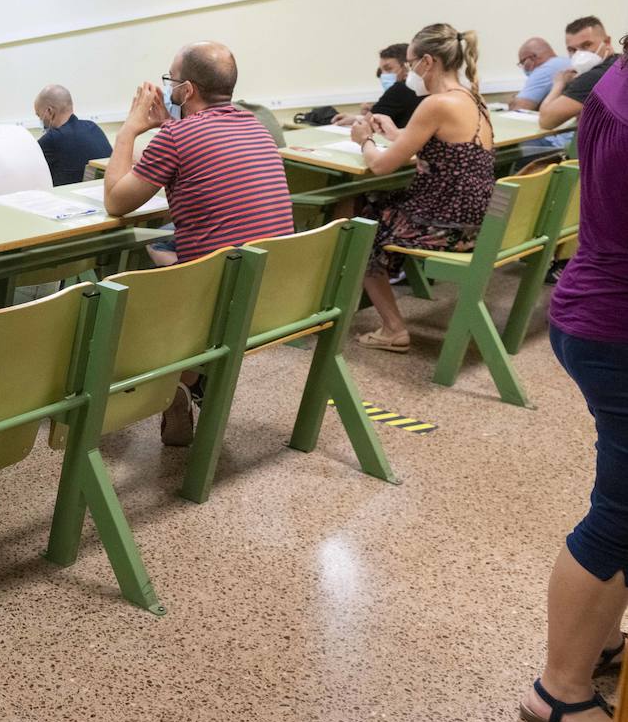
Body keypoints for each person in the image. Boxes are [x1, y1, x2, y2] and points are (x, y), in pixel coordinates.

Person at [518, 40, 628, 722]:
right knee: (620, 509)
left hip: (598, 311)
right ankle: (559, 691)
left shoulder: (615, 75)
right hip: (614, 327)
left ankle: (598, 639)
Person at [102, 40, 294, 445]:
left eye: (171, 80)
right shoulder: (257, 129)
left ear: (187, 90)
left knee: (128, 284)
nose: (168, 89)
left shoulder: (177, 136)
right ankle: (191, 380)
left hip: (222, 302)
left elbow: (115, 201)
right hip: (278, 296)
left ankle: (178, 382)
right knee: (167, 252)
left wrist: (130, 130)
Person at [348, 24, 494, 352]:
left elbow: (381, 165)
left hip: (449, 223)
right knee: (377, 205)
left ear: (428, 62)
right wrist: (395, 134)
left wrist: (365, 139)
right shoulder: (472, 99)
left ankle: (393, 329)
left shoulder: (435, 104)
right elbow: (445, 151)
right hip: (476, 218)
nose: (409, 70)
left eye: (411, 62)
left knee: (363, 229)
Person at [541, 16, 621, 130]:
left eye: (586, 45)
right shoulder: (620, 63)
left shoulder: (593, 77)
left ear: (607, 42)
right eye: (572, 50)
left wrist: (558, 84)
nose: (579, 54)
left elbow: (546, 121)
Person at [33, 84, 112, 185]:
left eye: (39, 115)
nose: (40, 120)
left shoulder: (52, 139)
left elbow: (27, 170)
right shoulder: (92, 127)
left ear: (50, 112)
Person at [331, 44, 423, 128]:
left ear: (407, 67)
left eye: (388, 69)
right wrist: (365, 114)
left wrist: (359, 118)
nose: (383, 75)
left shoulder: (399, 89)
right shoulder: (423, 88)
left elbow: (368, 123)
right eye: (381, 70)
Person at [510, 37, 572, 111]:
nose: (523, 67)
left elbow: (519, 109)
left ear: (531, 58)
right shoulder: (567, 62)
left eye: (522, 62)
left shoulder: (544, 70)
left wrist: (514, 102)